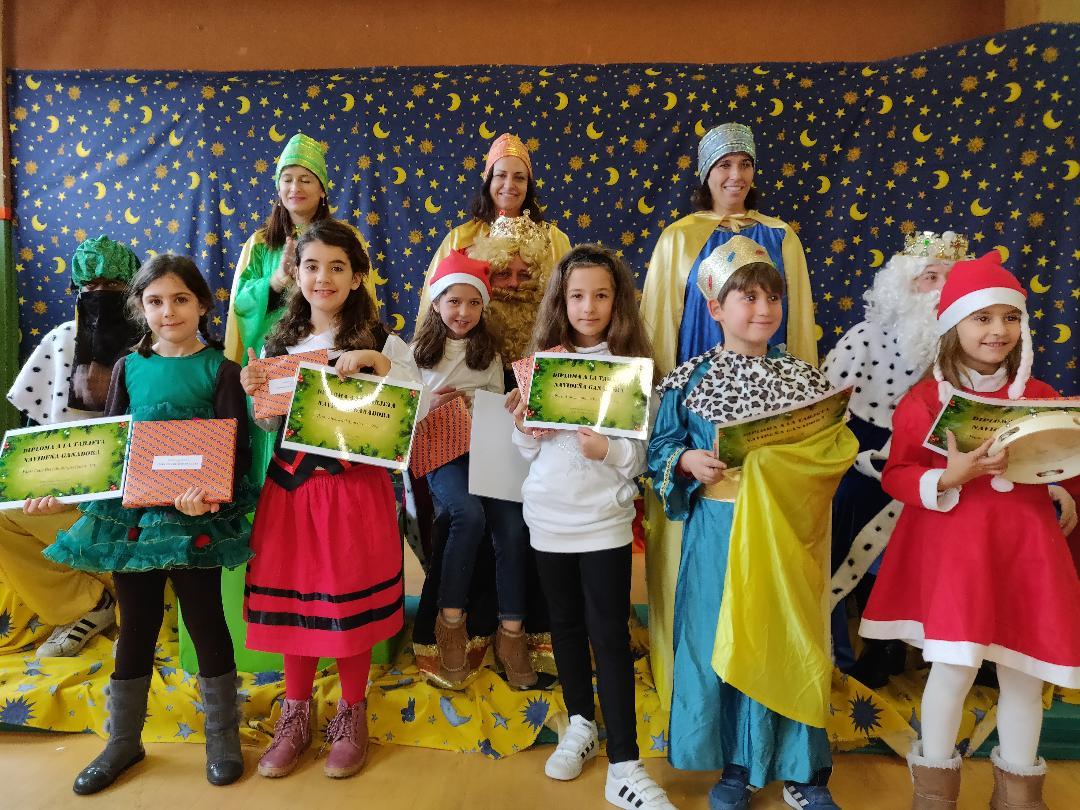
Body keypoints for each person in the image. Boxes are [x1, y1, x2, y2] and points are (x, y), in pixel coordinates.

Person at [859, 252, 1080, 809]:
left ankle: (1020, 797)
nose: (997, 330)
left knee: (1025, 674)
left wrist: (1062, 491)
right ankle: (934, 796)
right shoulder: (923, 401)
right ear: (954, 324)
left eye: (1010, 317)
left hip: (1026, 555)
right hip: (961, 558)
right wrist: (947, 476)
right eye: (982, 318)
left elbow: (1067, 463)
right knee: (954, 669)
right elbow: (898, 473)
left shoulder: (1042, 397)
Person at [647, 235, 856, 810]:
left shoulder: (805, 381)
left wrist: (787, 469)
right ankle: (735, 767)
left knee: (787, 640)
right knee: (724, 640)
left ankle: (802, 771)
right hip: (718, 532)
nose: (764, 310)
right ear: (716, 308)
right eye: (749, 298)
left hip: (784, 532)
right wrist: (686, 461)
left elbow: (834, 450)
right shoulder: (689, 380)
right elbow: (659, 451)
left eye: (773, 298)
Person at [41, 254, 255, 794]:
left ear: (202, 304)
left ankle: (222, 737)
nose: (168, 311)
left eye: (180, 299)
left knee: (205, 621)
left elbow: (236, 449)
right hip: (134, 521)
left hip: (194, 519)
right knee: (135, 624)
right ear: (140, 307)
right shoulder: (127, 367)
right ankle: (123, 740)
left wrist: (209, 497)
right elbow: (112, 447)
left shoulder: (221, 370)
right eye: (155, 301)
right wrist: (61, 493)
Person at [639, 122, 817, 709]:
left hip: (771, 403)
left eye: (745, 164)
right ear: (705, 174)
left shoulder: (782, 237)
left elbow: (798, 325)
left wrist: (802, 405)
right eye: (724, 166)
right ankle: (692, 682)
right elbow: (659, 326)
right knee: (701, 567)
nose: (735, 176)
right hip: (699, 413)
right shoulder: (677, 239)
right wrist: (667, 417)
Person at [241, 220, 415, 779]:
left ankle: (350, 712)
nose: (323, 277)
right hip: (290, 490)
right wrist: (257, 396)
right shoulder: (279, 343)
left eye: (337, 267)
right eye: (312, 266)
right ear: (296, 273)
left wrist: (379, 366)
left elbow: (413, 408)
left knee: (346, 600)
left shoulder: (382, 341)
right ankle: (295, 716)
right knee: (296, 600)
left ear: (357, 276)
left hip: (352, 491)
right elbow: (270, 422)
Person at [512, 244, 675, 810]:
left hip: (604, 522)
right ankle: (581, 722)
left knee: (608, 634)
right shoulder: (543, 365)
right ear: (561, 302)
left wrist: (609, 450)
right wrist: (524, 428)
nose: (588, 307)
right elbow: (526, 453)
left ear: (618, 302)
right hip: (547, 518)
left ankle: (625, 763)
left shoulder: (634, 371)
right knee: (564, 626)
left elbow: (644, 457)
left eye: (601, 295)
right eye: (577, 296)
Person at [409, 209, 559, 687]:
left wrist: (488, 405)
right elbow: (404, 412)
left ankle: (511, 632)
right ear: (437, 303)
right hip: (442, 453)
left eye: (473, 303)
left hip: (488, 452)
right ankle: (451, 621)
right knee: (467, 515)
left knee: (514, 527)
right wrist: (431, 403)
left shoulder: (489, 353)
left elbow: (497, 407)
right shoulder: (417, 355)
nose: (463, 312)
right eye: (454, 301)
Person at [821, 230, 967, 684]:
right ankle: (867, 644)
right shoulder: (864, 338)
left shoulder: (967, 346)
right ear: (905, 284)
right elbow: (824, 415)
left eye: (949, 279)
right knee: (850, 511)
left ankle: (938, 644)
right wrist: (861, 456)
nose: (939, 290)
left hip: (939, 457)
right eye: (930, 277)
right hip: (861, 455)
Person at [2, 236, 141, 658]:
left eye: (113, 286)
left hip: (140, 488)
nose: (101, 295)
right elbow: (36, 429)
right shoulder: (60, 341)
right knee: (3, 514)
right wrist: (34, 481)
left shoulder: (158, 342)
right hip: (70, 485)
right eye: (91, 287)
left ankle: (141, 617)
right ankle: (87, 605)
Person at [223, 132, 379, 482]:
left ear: (322, 189)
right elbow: (240, 306)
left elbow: (363, 298)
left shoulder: (344, 238)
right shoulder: (260, 244)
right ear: (278, 187)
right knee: (276, 439)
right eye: (288, 179)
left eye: (306, 179)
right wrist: (276, 282)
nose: (296, 187)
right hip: (277, 357)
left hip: (332, 348)